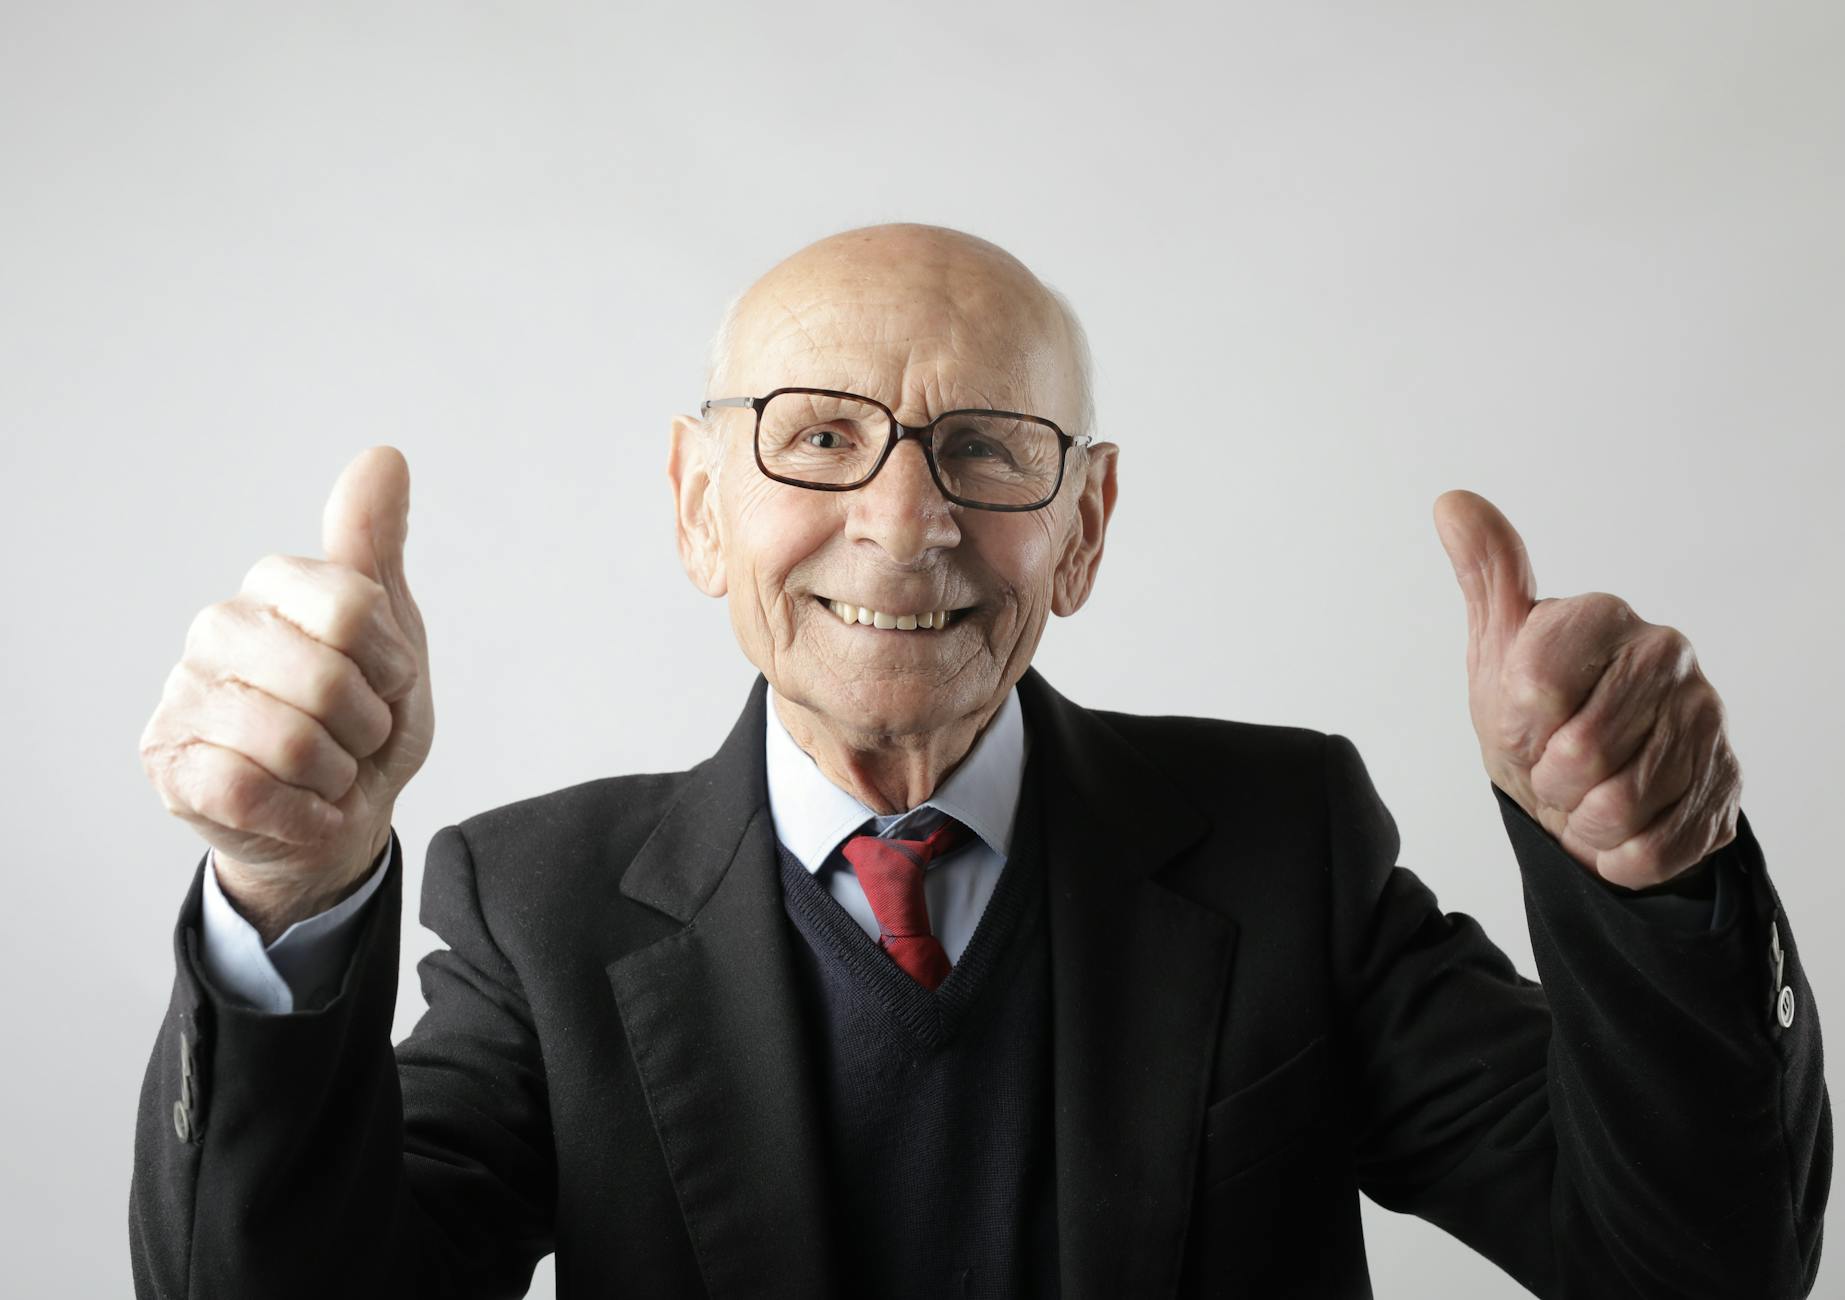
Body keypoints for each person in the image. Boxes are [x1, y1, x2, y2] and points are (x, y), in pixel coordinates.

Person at [129, 223, 1828, 1299]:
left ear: (1083, 530)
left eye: (987, 451)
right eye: (817, 438)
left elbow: (1687, 1269)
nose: (905, 519)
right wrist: (287, 893)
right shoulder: (542, 905)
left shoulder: (1276, 841)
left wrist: (1653, 874)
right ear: (697, 507)